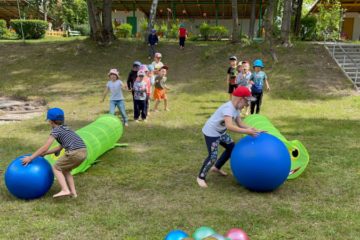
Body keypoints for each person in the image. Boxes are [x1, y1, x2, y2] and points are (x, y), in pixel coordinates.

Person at [197, 87, 263, 188]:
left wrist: (254, 129)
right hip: (211, 133)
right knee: (212, 156)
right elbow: (229, 126)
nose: (247, 104)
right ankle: (200, 177)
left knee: (231, 147)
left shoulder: (236, 109)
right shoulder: (228, 108)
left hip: (221, 132)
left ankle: (216, 167)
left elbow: (240, 123)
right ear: (240, 99)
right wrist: (247, 132)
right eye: (247, 101)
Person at [22, 108, 87, 198]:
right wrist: (46, 153)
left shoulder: (56, 131)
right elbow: (60, 147)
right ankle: (73, 193)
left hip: (74, 152)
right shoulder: (66, 128)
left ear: (51, 121)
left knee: (56, 168)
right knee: (66, 170)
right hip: (83, 152)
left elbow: (45, 147)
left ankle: (65, 190)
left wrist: (31, 158)